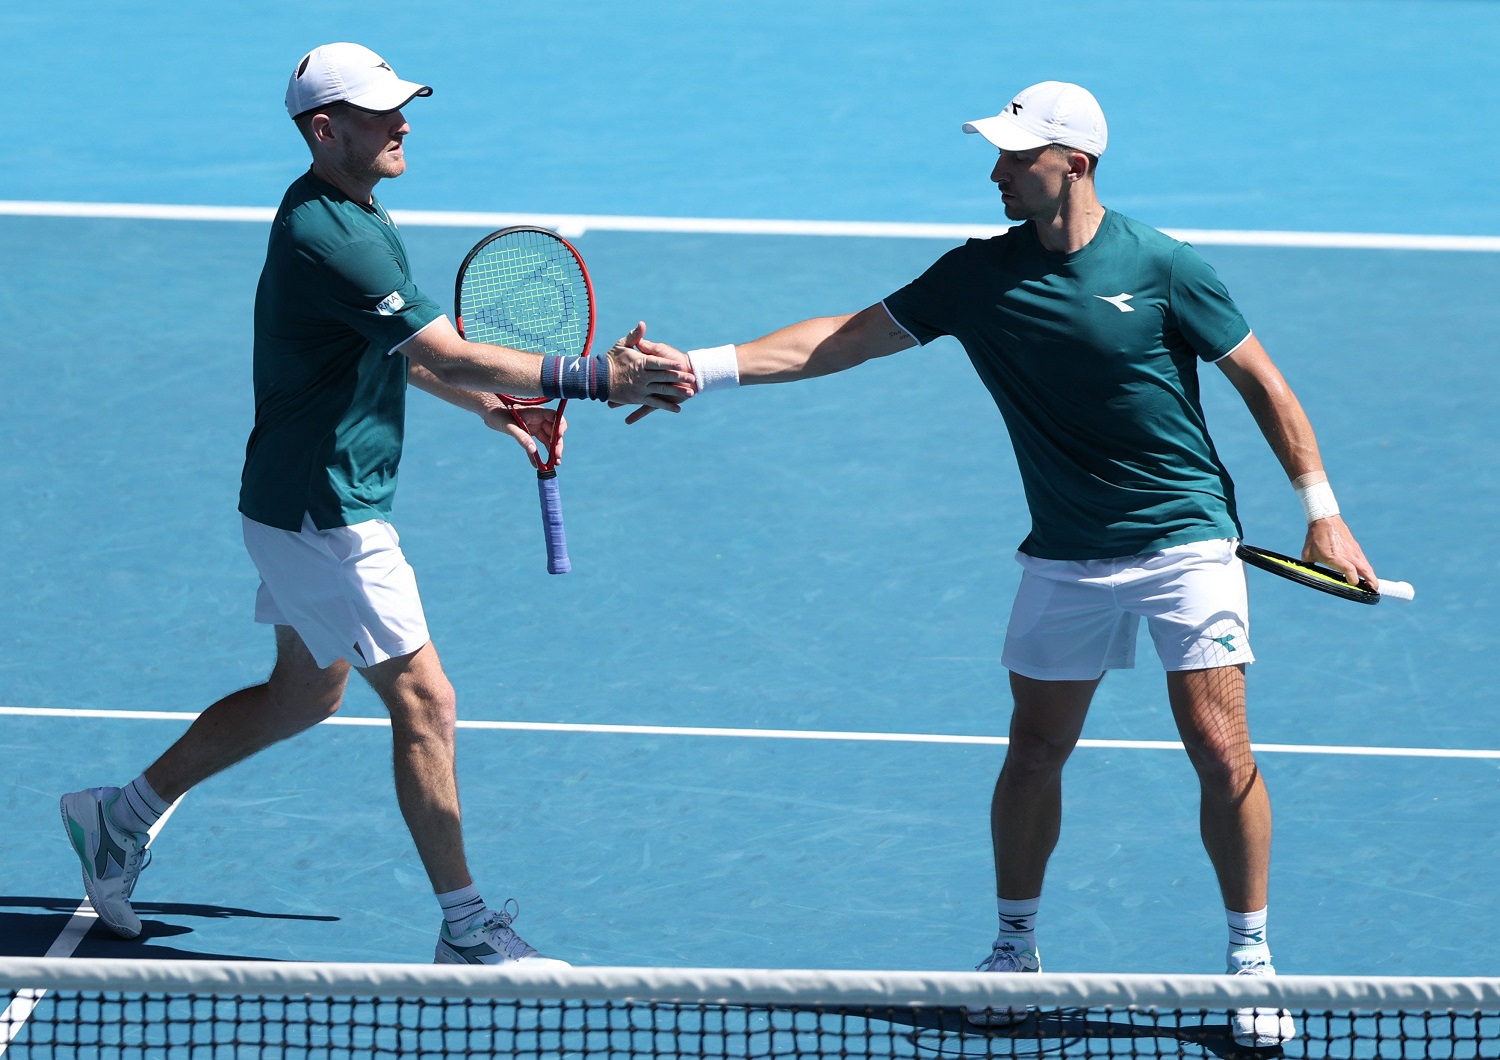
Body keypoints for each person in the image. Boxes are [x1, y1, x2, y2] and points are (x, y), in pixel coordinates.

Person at [640, 81, 1377, 1047]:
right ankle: (1014, 953)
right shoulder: (976, 277)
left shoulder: (1163, 266)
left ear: (1073, 163)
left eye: (1014, 156)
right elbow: (838, 340)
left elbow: (1263, 383)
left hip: (1183, 540)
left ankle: (1251, 967)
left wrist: (1325, 516)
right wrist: (703, 363)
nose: (994, 171)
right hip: (1066, 550)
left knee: (1219, 744)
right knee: (1034, 751)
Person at [60, 42, 692, 967]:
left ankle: (118, 816)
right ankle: (468, 926)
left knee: (303, 695)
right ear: (325, 129)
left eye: (404, 105)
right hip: (325, 513)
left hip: (295, 500)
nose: (403, 122)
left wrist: (490, 408)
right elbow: (445, 349)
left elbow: (408, 352)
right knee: (426, 702)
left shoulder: (353, 213)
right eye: (380, 111)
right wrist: (597, 377)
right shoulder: (336, 235)